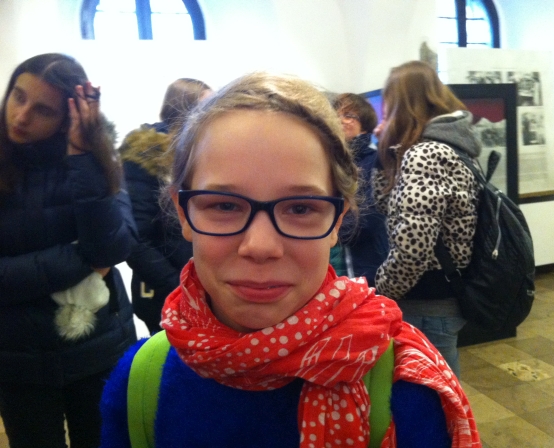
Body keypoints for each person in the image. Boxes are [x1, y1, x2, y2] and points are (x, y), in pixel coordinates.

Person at [100, 72, 480, 447]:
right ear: (184, 213)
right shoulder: (141, 383)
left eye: (300, 208)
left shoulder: (406, 392)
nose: (260, 246)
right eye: (225, 205)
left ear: (338, 219)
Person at [0, 53, 137, 448]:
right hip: (18, 357)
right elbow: (98, 256)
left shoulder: (97, 159)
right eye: (18, 96)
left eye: (42, 109)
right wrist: (82, 260)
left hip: (97, 347)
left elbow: (113, 245)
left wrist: (83, 156)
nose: (21, 116)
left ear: (67, 117)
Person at [373, 60, 482, 377]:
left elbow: (413, 247)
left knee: (434, 391)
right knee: (442, 384)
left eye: (388, 104)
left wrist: (381, 291)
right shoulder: (452, 145)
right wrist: (384, 153)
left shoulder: (426, 154)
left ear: (402, 103)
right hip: (444, 293)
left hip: (426, 299)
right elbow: (387, 205)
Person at [120, 78, 213, 334]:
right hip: (164, 291)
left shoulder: (203, 153)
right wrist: (179, 287)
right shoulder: (146, 156)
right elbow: (136, 239)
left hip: (204, 291)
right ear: (185, 108)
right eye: (208, 105)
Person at [332, 93, 389, 287]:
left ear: (364, 125)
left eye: (348, 115)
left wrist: (327, 230)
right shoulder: (330, 160)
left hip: (364, 265)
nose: (340, 120)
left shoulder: (376, 160)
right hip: (332, 262)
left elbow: (371, 216)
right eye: (336, 115)